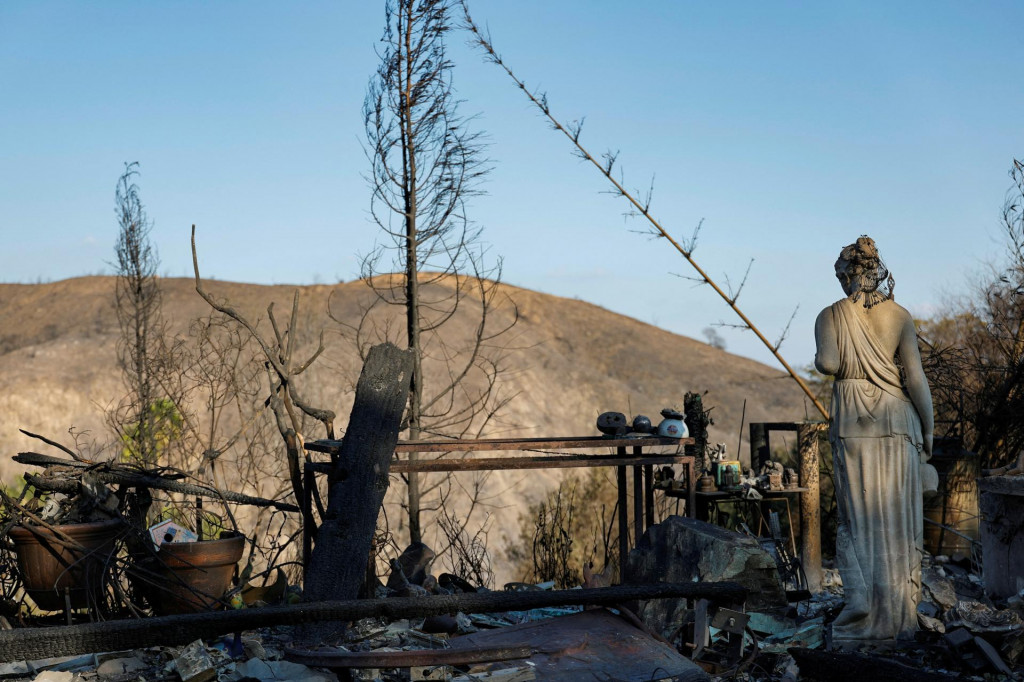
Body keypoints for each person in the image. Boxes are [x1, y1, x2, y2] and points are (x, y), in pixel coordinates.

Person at [814, 236, 933, 643]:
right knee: (896, 520)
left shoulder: (830, 315)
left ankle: (862, 612)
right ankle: (899, 618)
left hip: (853, 418)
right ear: (876, 272)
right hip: (898, 416)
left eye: (840, 277)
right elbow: (915, 377)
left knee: (858, 520)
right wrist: (929, 427)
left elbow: (828, 363)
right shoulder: (899, 315)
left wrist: (827, 354)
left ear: (849, 274)